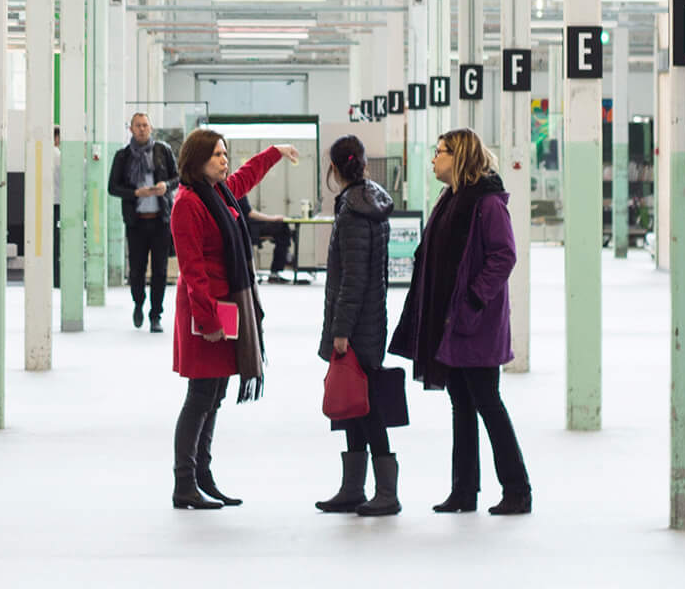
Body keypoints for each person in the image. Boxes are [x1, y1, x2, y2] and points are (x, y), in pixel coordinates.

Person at [390, 128, 531, 516]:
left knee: (488, 402)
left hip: (476, 323)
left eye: (440, 152)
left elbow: (503, 256)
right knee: (462, 404)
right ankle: (464, 491)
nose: (434, 159)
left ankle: (518, 490)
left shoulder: (486, 204)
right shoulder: (450, 199)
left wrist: (472, 298)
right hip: (452, 323)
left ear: (460, 157)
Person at [168, 129, 299, 510]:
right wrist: (209, 321)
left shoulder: (220, 193)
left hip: (229, 310)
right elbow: (193, 271)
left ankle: (203, 476)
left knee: (215, 396)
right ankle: (184, 482)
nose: (223, 161)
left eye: (224, 154)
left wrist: (274, 152)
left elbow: (245, 175)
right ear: (197, 161)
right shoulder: (188, 204)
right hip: (205, 314)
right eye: (215, 156)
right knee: (200, 397)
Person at [315, 135, 402, 515]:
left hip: (355, 323)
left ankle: (386, 492)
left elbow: (352, 278)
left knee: (366, 407)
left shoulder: (352, 211)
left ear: (334, 169)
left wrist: (340, 331)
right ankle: (353, 488)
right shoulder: (374, 202)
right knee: (354, 402)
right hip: (374, 318)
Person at [107, 112, 179, 332]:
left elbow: (177, 178)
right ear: (131, 129)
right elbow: (113, 187)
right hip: (136, 222)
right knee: (137, 270)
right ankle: (138, 303)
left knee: (160, 270)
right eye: (137, 126)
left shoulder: (163, 151)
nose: (141, 129)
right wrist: (135, 192)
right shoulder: (123, 156)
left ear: (151, 128)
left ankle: (155, 315)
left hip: (161, 221)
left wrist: (166, 186)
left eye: (145, 125)